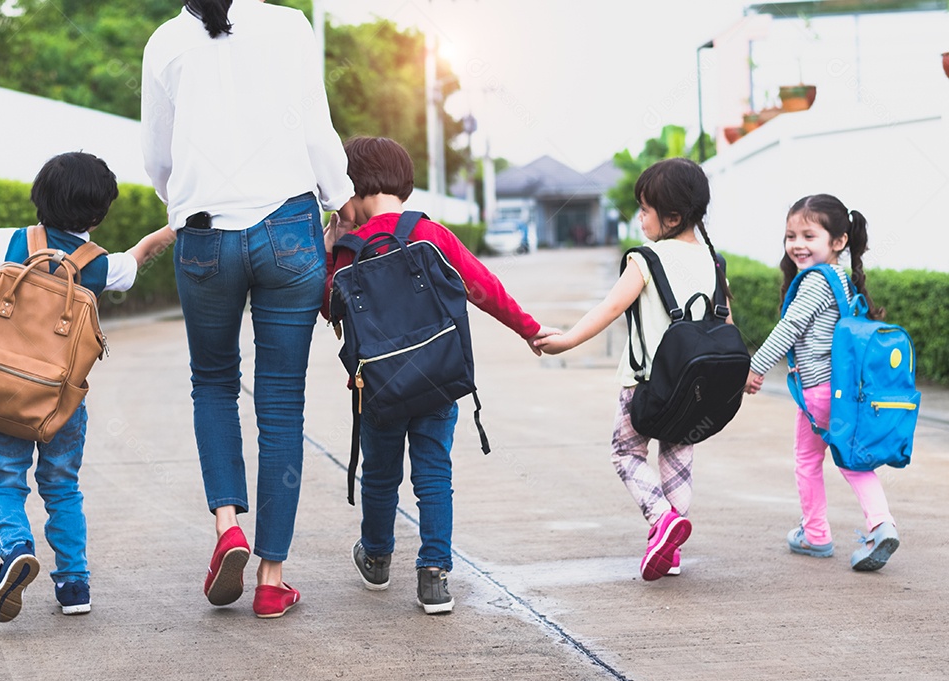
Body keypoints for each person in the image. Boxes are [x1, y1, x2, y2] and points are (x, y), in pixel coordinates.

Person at [141, 0, 357, 618]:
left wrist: (184, 200)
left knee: (212, 384)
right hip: (287, 226)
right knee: (282, 401)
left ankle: (227, 528)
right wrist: (339, 199)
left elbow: (158, 158)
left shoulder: (165, 42)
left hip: (204, 234)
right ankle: (271, 575)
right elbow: (315, 126)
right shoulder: (291, 26)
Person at [321, 136, 556, 613]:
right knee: (433, 472)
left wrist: (329, 247)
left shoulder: (350, 248)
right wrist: (528, 329)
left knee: (381, 474)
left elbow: (329, 308)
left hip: (378, 389)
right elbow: (483, 288)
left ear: (354, 185)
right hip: (436, 377)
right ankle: (434, 575)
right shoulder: (432, 234)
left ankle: (378, 560)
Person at [0, 151, 176, 622]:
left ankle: (15, 551)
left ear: (38, 199)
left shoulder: (11, 242)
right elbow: (141, 253)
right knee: (63, 488)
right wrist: (174, 227)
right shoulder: (100, 265)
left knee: (4, 482)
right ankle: (73, 586)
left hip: (3, 394)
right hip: (60, 404)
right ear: (99, 212)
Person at [534, 157, 730, 581]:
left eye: (645, 210)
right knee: (678, 459)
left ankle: (662, 520)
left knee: (627, 453)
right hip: (695, 386)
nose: (640, 218)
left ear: (672, 216)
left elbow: (610, 308)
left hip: (645, 385)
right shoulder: (714, 262)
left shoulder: (645, 259)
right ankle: (672, 550)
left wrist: (566, 341)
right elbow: (725, 324)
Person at [744, 194, 899, 571]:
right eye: (790, 236)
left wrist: (755, 366)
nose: (797, 244)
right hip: (844, 392)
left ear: (838, 241)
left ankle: (816, 533)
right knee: (854, 462)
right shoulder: (842, 280)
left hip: (818, 393)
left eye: (808, 236)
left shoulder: (815, 283)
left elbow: (790, 327)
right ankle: (881, 524)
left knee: (808, 460)